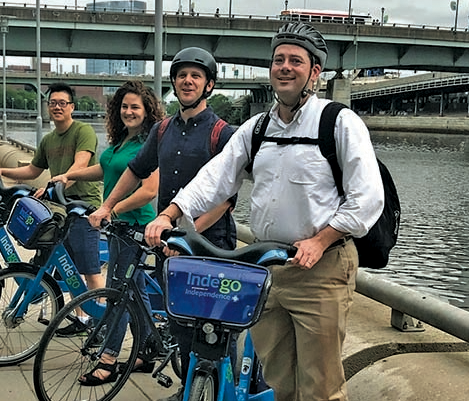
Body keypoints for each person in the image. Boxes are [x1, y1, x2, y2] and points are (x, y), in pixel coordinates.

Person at [145, 22, 385, 401]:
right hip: (269, 268)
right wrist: (170, 214)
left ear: (315, 72)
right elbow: (217, 177)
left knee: (320, 388)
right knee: (279, 382)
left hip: (320, 271)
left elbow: (368, 198)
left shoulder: (337, 121)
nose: (284, 67)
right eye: (278, 60)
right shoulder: (258, 129)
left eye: (295, 60)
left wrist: (321, 240)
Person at [88, 47, 237, 401]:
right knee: (180, 325)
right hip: (170, 245)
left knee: (215, 331)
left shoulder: (222, 133)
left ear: (209, 86)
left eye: (196, 76)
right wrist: (106, 206)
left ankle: (224, 392)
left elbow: (227, 199)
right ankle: (191, 390)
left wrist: (187, 234)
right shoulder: (163, 128)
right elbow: (136, 171)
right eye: (182, 75)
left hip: (211, 245)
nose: (187, 81)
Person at [50, 80, 164, 386]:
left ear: (147, 111)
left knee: (118, 294)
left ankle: (109, 359)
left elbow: (148, 192)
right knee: (136, 293)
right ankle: (149, 347)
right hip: (117, 227)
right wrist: (69, 175)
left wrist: (110, 209)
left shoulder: (148, 145)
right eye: (124, 106)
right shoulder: (121, 144)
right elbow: (104, 169)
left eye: (135, 107)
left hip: (136, 226)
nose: (129, 112)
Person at [0, 82, 104, 293]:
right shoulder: (48, 140)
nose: (57, 107)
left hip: (83, 207)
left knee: (90, 270)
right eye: (53, 103)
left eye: (62, 103)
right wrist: (2, 171)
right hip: (59, 209)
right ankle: (80, 319)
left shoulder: (83, 131)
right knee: (68, 269)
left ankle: (102, 321)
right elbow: (32, 170)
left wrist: (55, 184)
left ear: (72, 107)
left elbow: (80, 164)